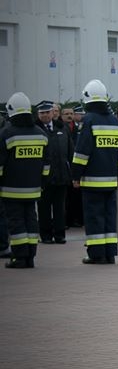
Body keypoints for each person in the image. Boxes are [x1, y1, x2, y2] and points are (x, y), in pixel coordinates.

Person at [72, 80, 118, 264]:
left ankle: (96, 254)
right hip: (111, 180)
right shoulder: (115, 121)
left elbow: (82, 153)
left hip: (92, 180)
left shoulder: (88, 120)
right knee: (110, 217)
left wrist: (75, 175)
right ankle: (110, 253)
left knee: (94, 216)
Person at [1, 93, 49, 268]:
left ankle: (19, 257)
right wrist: (42, 183)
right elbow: (47, 164)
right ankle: (30, 256)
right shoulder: (41, 134)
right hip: (34, 188)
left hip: (11, 189)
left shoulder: (7, 134)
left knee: (16, 223)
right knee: (31, 220)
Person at [36, 100, 72, 244]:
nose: (45, 115)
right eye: (42, 113)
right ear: (38, 114)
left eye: (47, 112)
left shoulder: (62, 128)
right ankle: (45, 235)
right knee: (44, 207)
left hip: (62, 175)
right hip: (43, 177)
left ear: (53, 113)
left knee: (59, 207)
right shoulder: (36, 129)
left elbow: (70, 152)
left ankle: (60, 234)